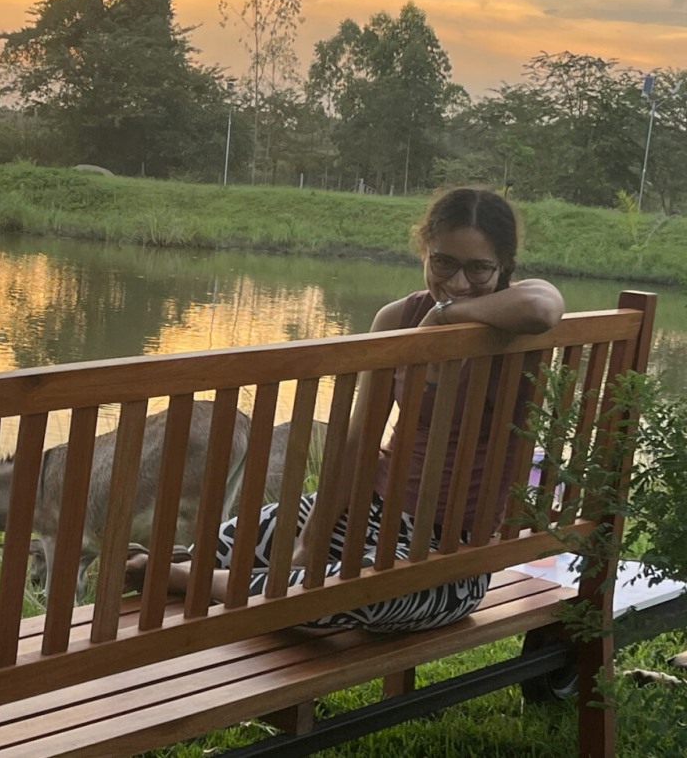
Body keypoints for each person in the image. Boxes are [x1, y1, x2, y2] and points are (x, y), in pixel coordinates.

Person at [125, 186, 565, 632]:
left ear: (505, 266)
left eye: (479, 268)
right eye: (443, 262)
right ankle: (247, 581)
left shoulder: (516, 321)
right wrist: (308, 545)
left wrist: (446, 319)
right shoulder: (397, 319)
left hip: (450, 558)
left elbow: (544, 307)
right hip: (364, 510)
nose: (456, 283)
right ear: (424, 251)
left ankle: (199, 581)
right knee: (223, 545)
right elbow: (357, 446)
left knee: (330, 603)